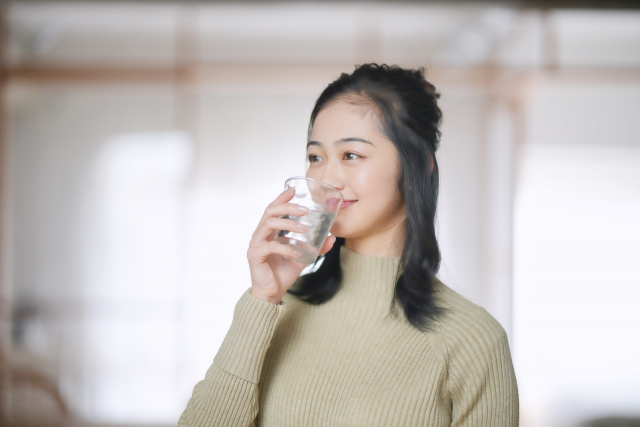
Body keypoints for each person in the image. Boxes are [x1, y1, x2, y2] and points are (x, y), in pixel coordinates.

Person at [178, 63, 519, 426]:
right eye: (315, 157)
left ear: (419, 167)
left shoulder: (472, 339)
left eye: (351, 155)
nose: (327, 178)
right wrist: (263, 298)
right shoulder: (277, 311)